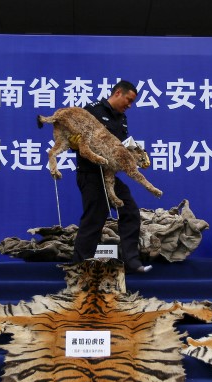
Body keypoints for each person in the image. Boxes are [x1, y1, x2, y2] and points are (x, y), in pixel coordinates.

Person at [71, 80, 152, 274]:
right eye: (128, 100)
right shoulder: (92, 110)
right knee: (95, 218)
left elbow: (120, 147)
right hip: (90, 174)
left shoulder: (121, 118)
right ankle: (79, 268)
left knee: (130, 210)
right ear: (117, 93)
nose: (129, 105)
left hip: (110, 176)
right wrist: (75, 141)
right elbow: (73, 136)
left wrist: (136, 154)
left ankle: (131, 261)